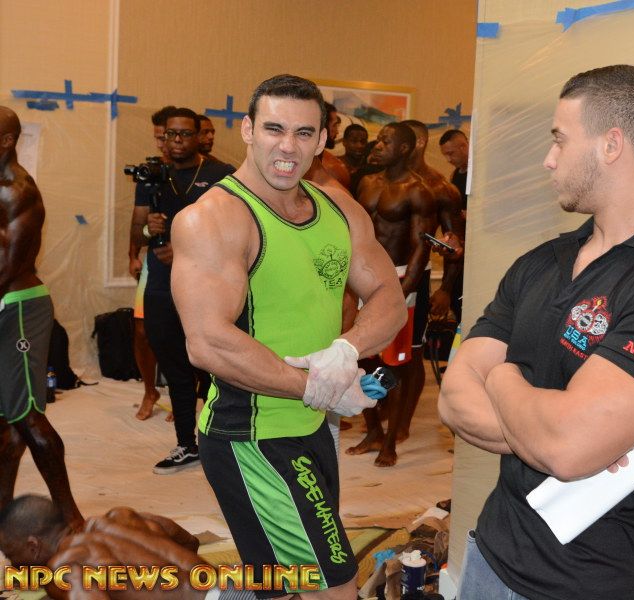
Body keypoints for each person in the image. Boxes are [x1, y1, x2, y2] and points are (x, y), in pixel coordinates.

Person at [439, 65, 634, 600]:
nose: (548, 159)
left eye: (559, 139)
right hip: (493, 556)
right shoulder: (541, 263)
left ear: (611, 145)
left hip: (601, 582)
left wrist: (503, 379)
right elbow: (454, 399)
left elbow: (567, 447)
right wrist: (544, 429)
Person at [170, 74, 406, 599]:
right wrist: (316, 385)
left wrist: (346, 350)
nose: (288, 147)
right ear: (247, 130)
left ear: (322, 140)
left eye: (304, 133)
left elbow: (388, 297)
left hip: (313, 426)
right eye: (274, 129)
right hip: (252, 435)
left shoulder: (339, 209)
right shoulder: (213, 218)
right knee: (336, 586)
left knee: (280, 583)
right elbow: (207, 341)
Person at [0, 106, 84, 532]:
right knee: (5, 420)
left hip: (19, 307)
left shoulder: (18, 191)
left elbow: (8, 266)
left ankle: (71, 518)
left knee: (28, 415)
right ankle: (3, 510)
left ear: (6, 141)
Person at [139, 107, 235, 473]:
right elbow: (137, 229)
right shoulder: (151, 175)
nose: (177, 141)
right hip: (162, 286)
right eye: (170, 134)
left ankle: (225, 438)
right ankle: (186, 444)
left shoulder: (221, 175)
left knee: (216, 365)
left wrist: (182, 249)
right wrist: (148, 230)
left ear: (199, 136)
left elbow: (233, 233)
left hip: (207, 286)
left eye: (185, 134)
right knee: (175, 367)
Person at [347, 122, 437, 467]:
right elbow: (354, 234)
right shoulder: (367, 183)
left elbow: (421, 247)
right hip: (362, 277)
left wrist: (402, 292)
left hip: (399, 280)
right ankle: (372, 430)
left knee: (394, 363)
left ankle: (390, 441)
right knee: (359, 358)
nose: (378, 145)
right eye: (379, 139)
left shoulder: (419, 191)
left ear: (404, 148)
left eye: (386, 141)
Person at [0, 495, 211, 600]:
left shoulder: (62, 568)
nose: (13, 566)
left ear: (33, 546)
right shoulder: (121, 517)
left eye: (11, 555)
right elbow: (190, 542)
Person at [130, 105, 174, 421]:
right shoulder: (149, 172)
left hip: (191, 263)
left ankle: (187, 392)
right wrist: (132, 254)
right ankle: (150, 391)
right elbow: (138, 221)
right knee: (142, 330)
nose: (162, 144)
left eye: (166, 137)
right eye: (158, 138)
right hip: (155, 260)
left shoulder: (202, 172)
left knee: (187, 331)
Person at [399, 120, 465, 324]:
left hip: (415, 274)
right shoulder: (376, 182)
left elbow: (455, 242)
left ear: (419, 142)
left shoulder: (440, 188)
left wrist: (445, 289)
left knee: (410, 340)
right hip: (373, 274)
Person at [439, 128, 469, 214]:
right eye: (445, 155)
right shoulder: (454, 175)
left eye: (450, 153)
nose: (448, 160)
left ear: (463, 147)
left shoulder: (481, 171)